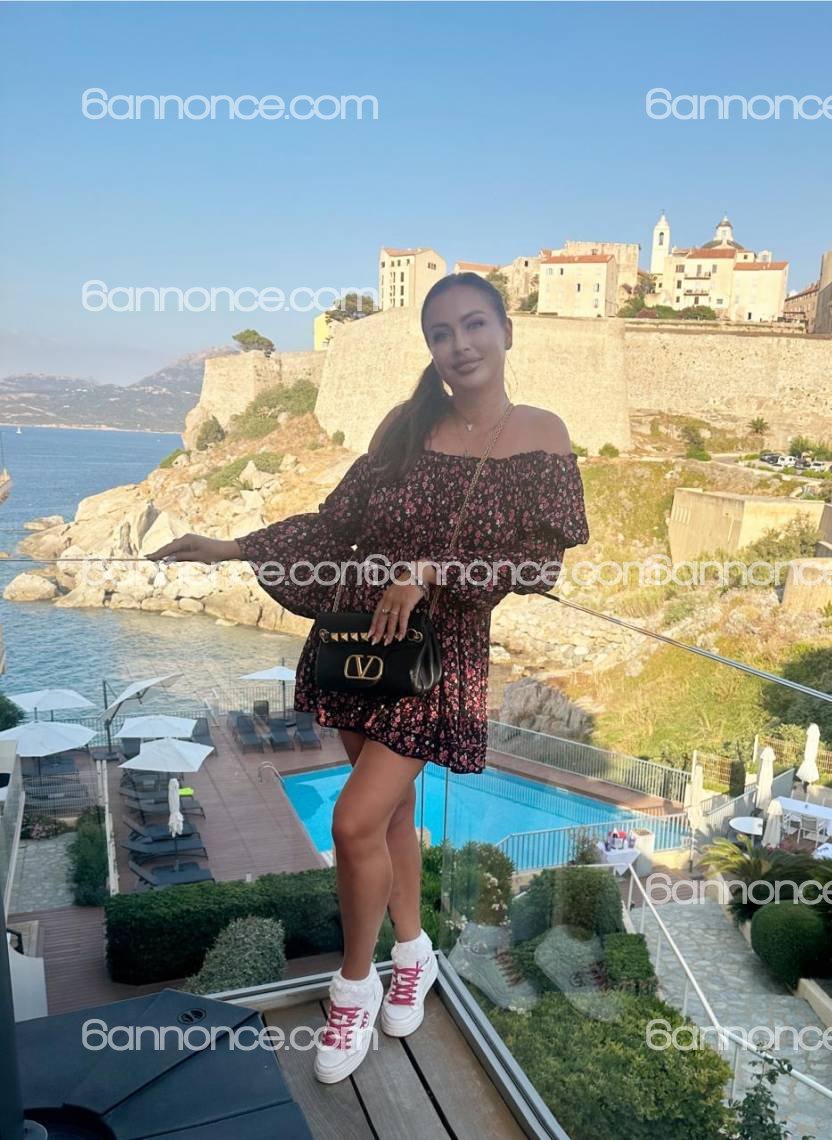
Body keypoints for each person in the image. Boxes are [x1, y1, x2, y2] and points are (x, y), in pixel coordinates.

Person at [148, 271, 590, 1084]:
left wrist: (429, 569)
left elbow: (536, 565)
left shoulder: (541, 434)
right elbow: (336, 524)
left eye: (474, 325)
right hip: (358, 641)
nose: (460, 345)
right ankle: (413, 952)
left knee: (353, 823)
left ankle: (354, 989)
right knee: (388, 818)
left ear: (507, 331)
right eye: (441, 333)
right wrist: (232, 547)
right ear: (430, 347)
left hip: (436, 660)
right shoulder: (405, 425)